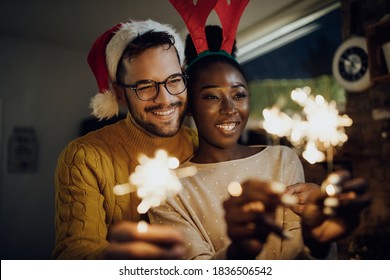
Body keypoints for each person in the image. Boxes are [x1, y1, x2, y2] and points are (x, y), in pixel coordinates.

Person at [149, 25, 370, 260]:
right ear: (189, 106)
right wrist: (241, 250)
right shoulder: (167, 190)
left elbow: (299, 258)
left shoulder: (282, 159)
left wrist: (314, 240)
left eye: (239, 95)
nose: (230, 109)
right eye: (212, 96)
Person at [53, 19, 197, 259]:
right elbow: (73, 254)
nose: (165, 99)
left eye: (174, 80)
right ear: (120, 94)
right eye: (146, 86)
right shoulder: (82, 158)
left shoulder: (202, 146)